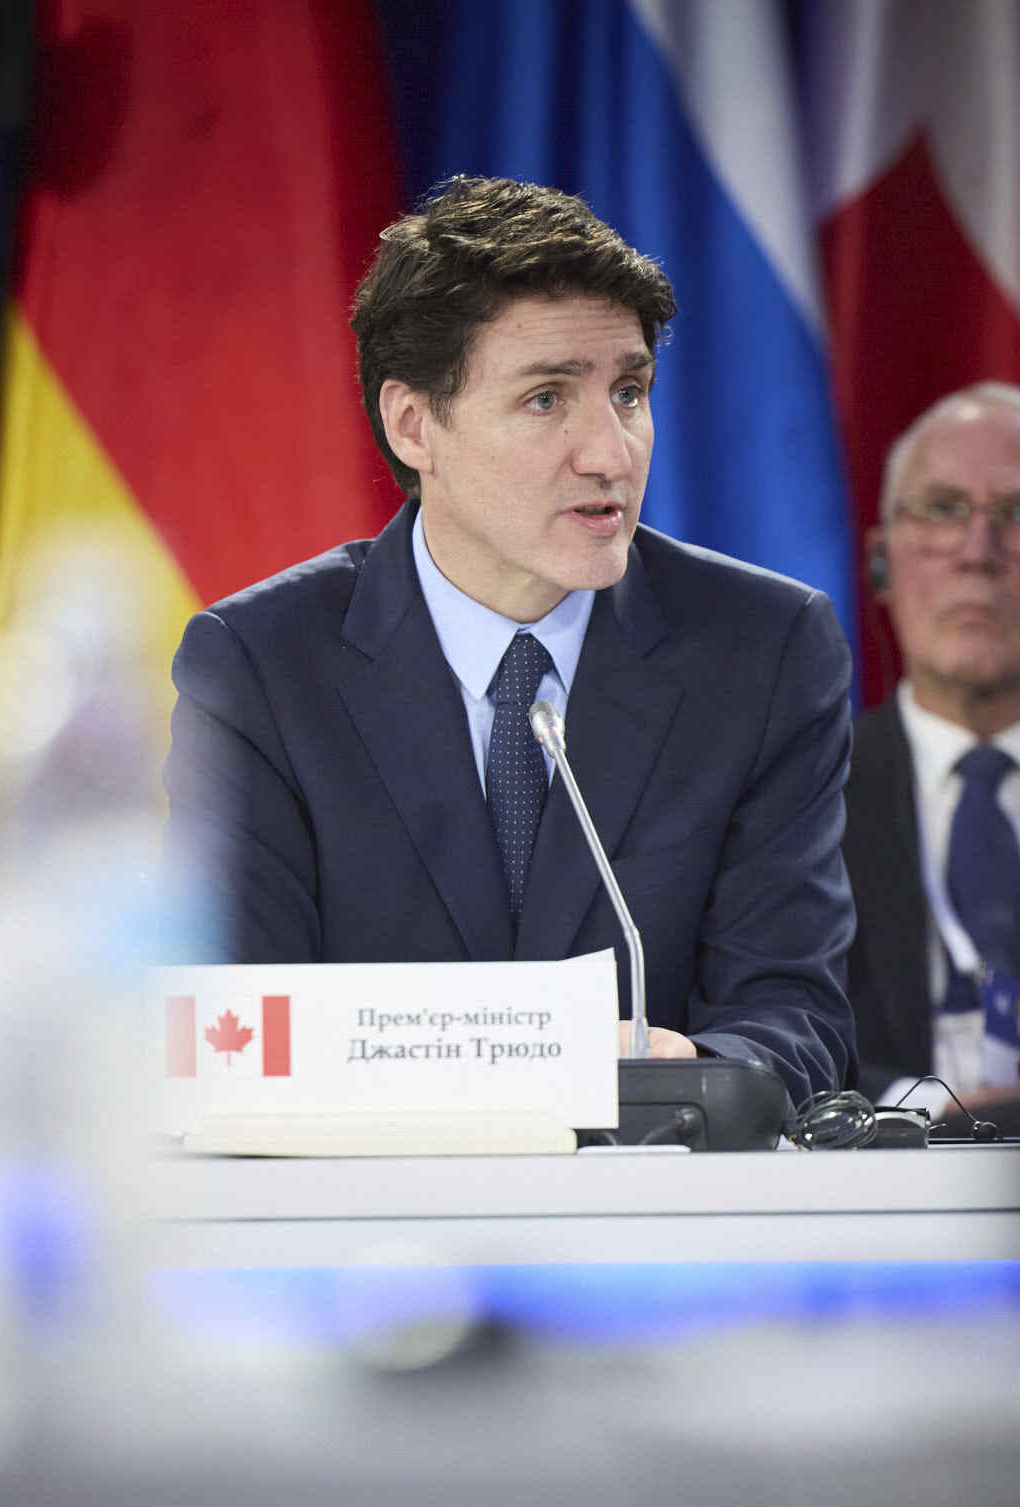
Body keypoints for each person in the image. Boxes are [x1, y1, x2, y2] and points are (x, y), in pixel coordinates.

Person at [165, 176, 855, 1105]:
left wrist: (690, 1070)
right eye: (546, 399)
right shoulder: (260, 669)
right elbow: (231, 1031)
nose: (611, 453)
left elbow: (796, 1018)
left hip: (652, 1188)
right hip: (374, 1194)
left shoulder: (764, 651)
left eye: (629, 393)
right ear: (414, 425)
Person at [840, 383, 1020, 1127]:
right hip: (861, 1188)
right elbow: (761, 1039)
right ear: (881, 563)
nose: (978, 552)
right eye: (942, 508)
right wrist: (928, 1113)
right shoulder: (795, 801)